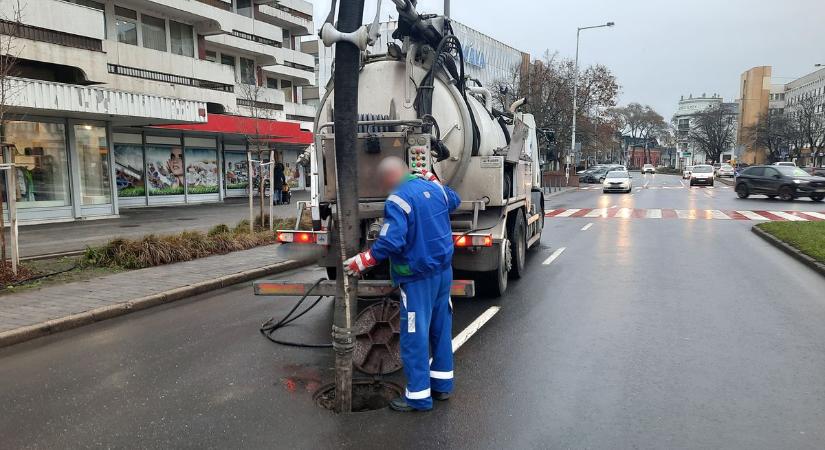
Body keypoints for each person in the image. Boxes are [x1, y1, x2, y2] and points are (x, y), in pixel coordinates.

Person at [343, 156, 461, 412]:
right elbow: (455, 200)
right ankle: (442, 386)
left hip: (417, 279)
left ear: (389, 178)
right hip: (443, 274)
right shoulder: (433, 188)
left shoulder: (398, 199)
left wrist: (362, 261)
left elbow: (391, 241)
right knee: (440, 330)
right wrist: (433, 178)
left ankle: (418, 397)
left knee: (414, 337)